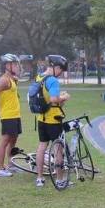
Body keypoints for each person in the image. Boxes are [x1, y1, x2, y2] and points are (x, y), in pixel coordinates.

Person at [34, 55, 70, 187]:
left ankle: (39, 178)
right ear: (57, 67)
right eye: (61, 70)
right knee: (58, 149)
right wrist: (64, 97)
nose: (61, 73)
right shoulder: (53, 80)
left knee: (42, 147)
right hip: (53, 120)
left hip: (41, 118)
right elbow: (54, 99)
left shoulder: (39, 77)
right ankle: (60, 180)